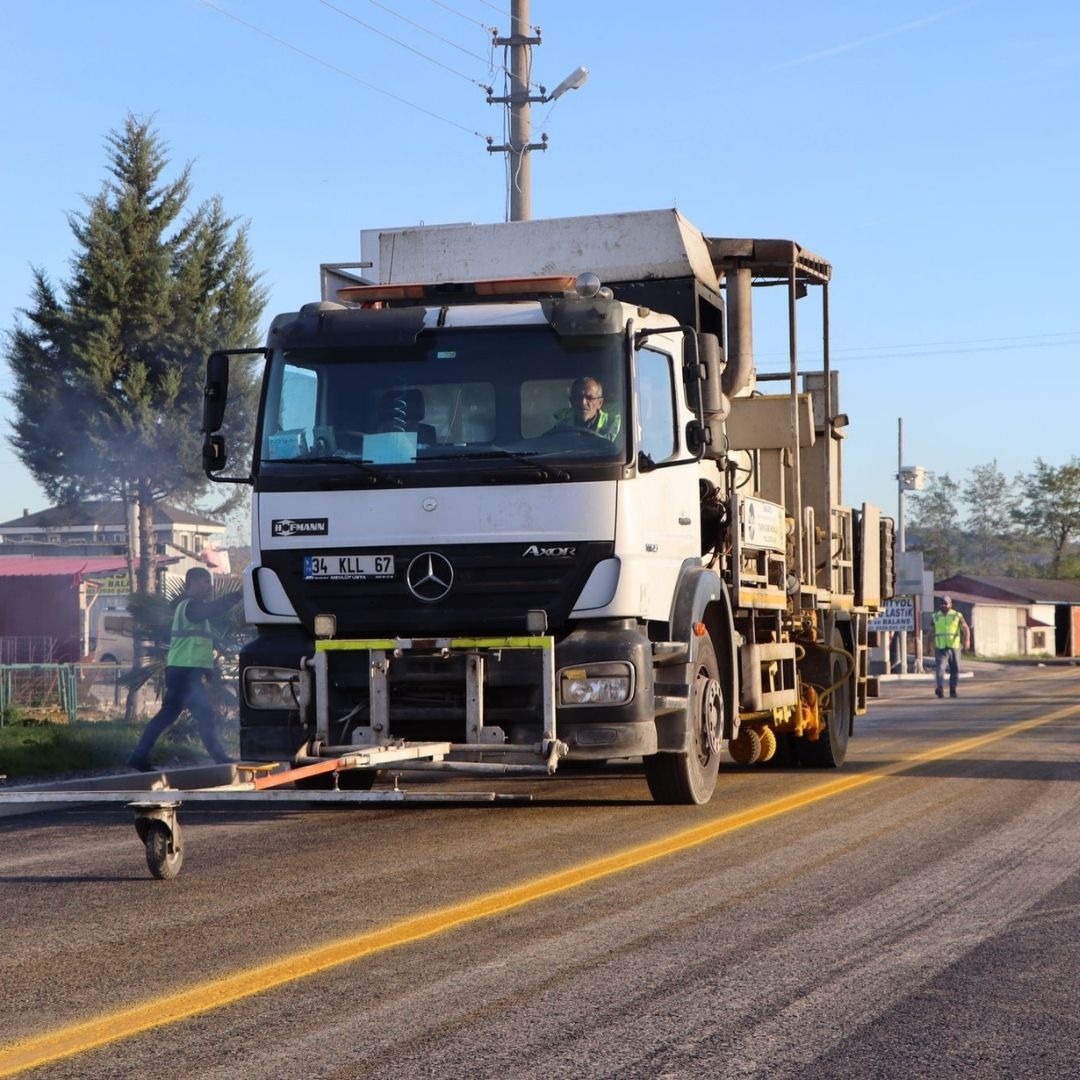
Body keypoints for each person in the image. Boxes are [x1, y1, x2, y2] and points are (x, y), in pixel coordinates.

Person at [128, 567, 243, 771]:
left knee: (170, 715)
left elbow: (197, 643)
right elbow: (211, 610)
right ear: (192, 583)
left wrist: (207, 671)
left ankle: (139, 756)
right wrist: (237, 596)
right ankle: (220, 758)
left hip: (185, 670)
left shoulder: (189, 607)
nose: (210, 586)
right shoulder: (191, 606)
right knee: (202, 715)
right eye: (205, 582)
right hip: (184, 672)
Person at [549, 376, 621, 441]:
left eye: (589, 398)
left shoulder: (616, 425)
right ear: (571, 401)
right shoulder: (561, 427)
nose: (583, 402)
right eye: (578, 397)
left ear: (600, 403)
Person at [932, 593, 970, 699]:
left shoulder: (957, 615)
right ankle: (940, 688)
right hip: (940, 647)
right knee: (940, 669)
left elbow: (965, 628)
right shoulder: (935, 616)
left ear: (950, 604)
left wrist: (967, 641)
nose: (943, 605)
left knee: (955, 669)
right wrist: (927, 645)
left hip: (954, 646)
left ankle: (953, 690)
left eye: (945, 603)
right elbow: (931, 632)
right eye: (941, 604)